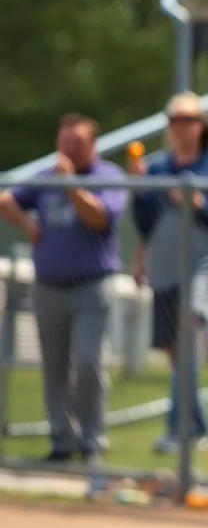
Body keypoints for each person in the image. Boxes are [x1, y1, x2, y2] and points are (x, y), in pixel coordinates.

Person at [0, 115, 128, 463]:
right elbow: (7, 200)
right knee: (54, 368)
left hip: (91, 285)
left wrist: (71, 185)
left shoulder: (108, 177)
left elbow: (100, 217)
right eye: (65, 142)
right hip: (49, 286)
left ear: (93, 145)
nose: (70, 149)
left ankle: (92, 442)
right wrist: (28, 223)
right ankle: (61, 441)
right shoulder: (45, 179)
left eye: (78, 143)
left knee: (89, 362)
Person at [131, 93, 208, 454]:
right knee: (179, 356)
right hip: (164, 266)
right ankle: (200, 427)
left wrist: (200, 205)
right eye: (176, 120)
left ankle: (176, 431)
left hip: (200, 266)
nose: (183, 127)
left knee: (188, 337)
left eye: (189, 119)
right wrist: (139, 189)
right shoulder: (159, 168)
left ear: (202, 125)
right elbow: (145, 223)